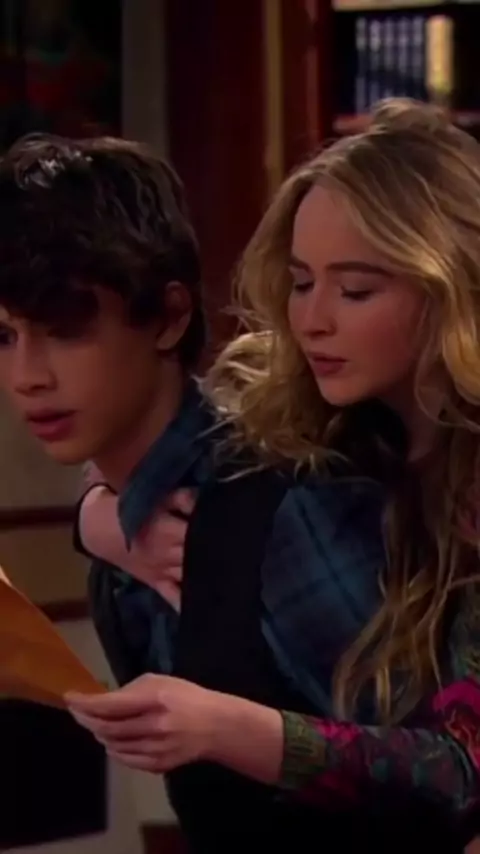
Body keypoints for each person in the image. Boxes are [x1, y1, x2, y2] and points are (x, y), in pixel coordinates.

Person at [65, 99, 480, 850]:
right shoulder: (301, 404)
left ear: (449, 287)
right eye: (300, 282)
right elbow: (137, 454)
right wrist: (102, 522)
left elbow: (458, 772)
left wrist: (227, 727)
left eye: (355, 290)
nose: (311, 320)